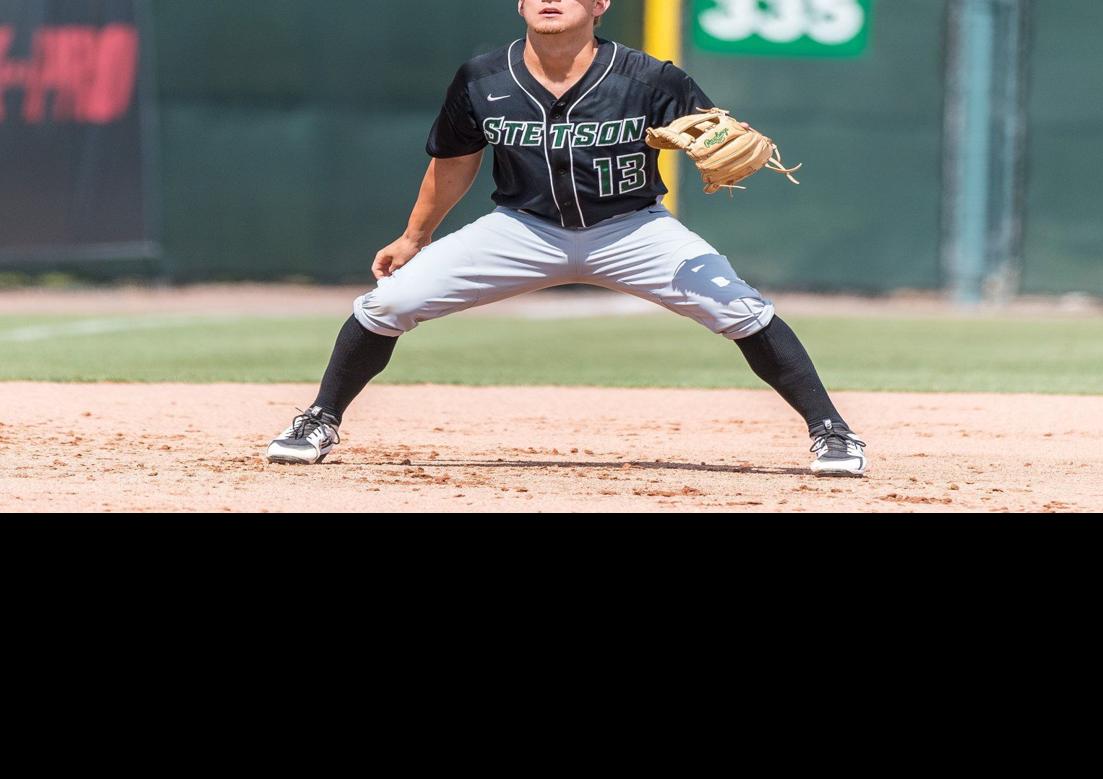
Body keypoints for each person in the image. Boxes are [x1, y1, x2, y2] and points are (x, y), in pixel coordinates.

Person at [265, 0, 867, 476]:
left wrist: (722, 143)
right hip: (521, 229)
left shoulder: (649, 77)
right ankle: (319, 418)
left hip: (632, 229)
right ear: (519, 4)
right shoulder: (482, 78)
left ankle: (831, 430)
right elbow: (453, 160)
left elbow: (713, 134)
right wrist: (414, 236)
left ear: (599, 3)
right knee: (387, 303)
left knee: (742, 308)